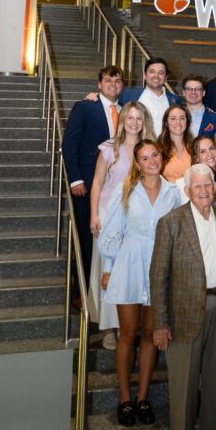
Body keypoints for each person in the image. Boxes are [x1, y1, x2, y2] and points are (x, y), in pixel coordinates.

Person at [151, 163, 216, 430]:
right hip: (184, 315)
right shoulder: (171, 223)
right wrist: (160, 324)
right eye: (197, 187)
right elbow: (158, 277)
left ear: (215, 187)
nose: (204, 191)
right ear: (187, 190)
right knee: (184, 388)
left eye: (208, 185)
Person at [100, 139, 182, 427]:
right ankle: (125, 398)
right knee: (128, 332)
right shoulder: (126, 189)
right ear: (137, 163)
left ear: (161, 157)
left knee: (150, 333)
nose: (151, 161)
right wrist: (108, 267)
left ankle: (143, 396)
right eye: (144, 158)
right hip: (130, 264)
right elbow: (112, 230)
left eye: (155, 156)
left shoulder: (173, 192)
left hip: (159, 267)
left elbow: (179, 231)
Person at [89, 101, 154, 348]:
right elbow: (97, 182)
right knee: (109, 272)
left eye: (139, 118)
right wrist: (94, 214)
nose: (135, 123)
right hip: (109, 216)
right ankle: (108, 328)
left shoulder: (149, 149)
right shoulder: (109, 148)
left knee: (129, 273)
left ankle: (129, 325)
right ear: (123, 120)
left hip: (136, 219)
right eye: (130, 118)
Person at [62, 65, 124, 291]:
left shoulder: (127, 111)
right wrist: (75, 179)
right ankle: (80, 290)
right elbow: (69, 145)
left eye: (117, 81)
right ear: (99, 84)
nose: (113, 85)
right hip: (88, 185)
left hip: (117, 187)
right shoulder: (85, 107)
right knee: (86, 238)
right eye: (108, 81)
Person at [119, 57, 181, 138]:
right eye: (152, 71)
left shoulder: (175, 100)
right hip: (136, 147)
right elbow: (109, 100)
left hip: (165, 149)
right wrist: (98, 96)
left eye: (161, 73)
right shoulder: (128, 95)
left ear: (166, 78)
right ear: (144, 75)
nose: (156, 76)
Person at [158, 103, 193, 181]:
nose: (178, 122)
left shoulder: (194, 147)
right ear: (166, 122)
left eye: (182, 118)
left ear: (187, 122)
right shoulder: (158, 148)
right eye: (173, 118)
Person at [182, 74, 216, 138]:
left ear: (203, 92)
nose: (193, 92)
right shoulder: (175, 117)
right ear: (184, 92)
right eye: (189, 89)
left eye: (198, 89)